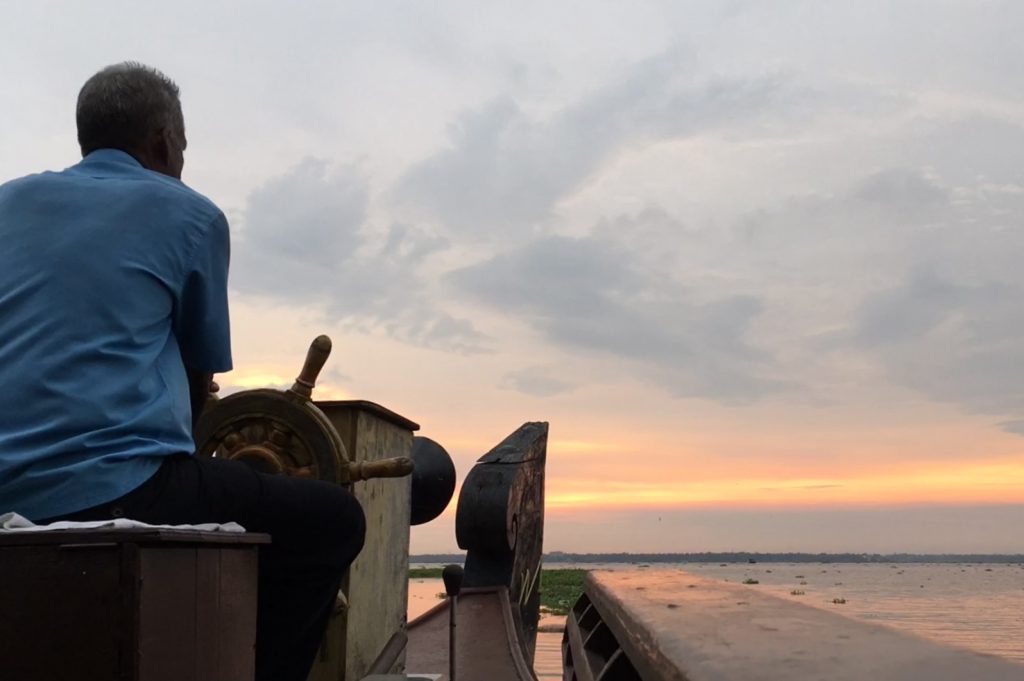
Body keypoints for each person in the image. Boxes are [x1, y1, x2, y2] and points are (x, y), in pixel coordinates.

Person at [0, 62, 365, 681]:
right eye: (184, 148)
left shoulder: (8, 201)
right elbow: (202, 383)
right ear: (165, 141)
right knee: (333, 522)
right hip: (115, 486)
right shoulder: (190, 214)